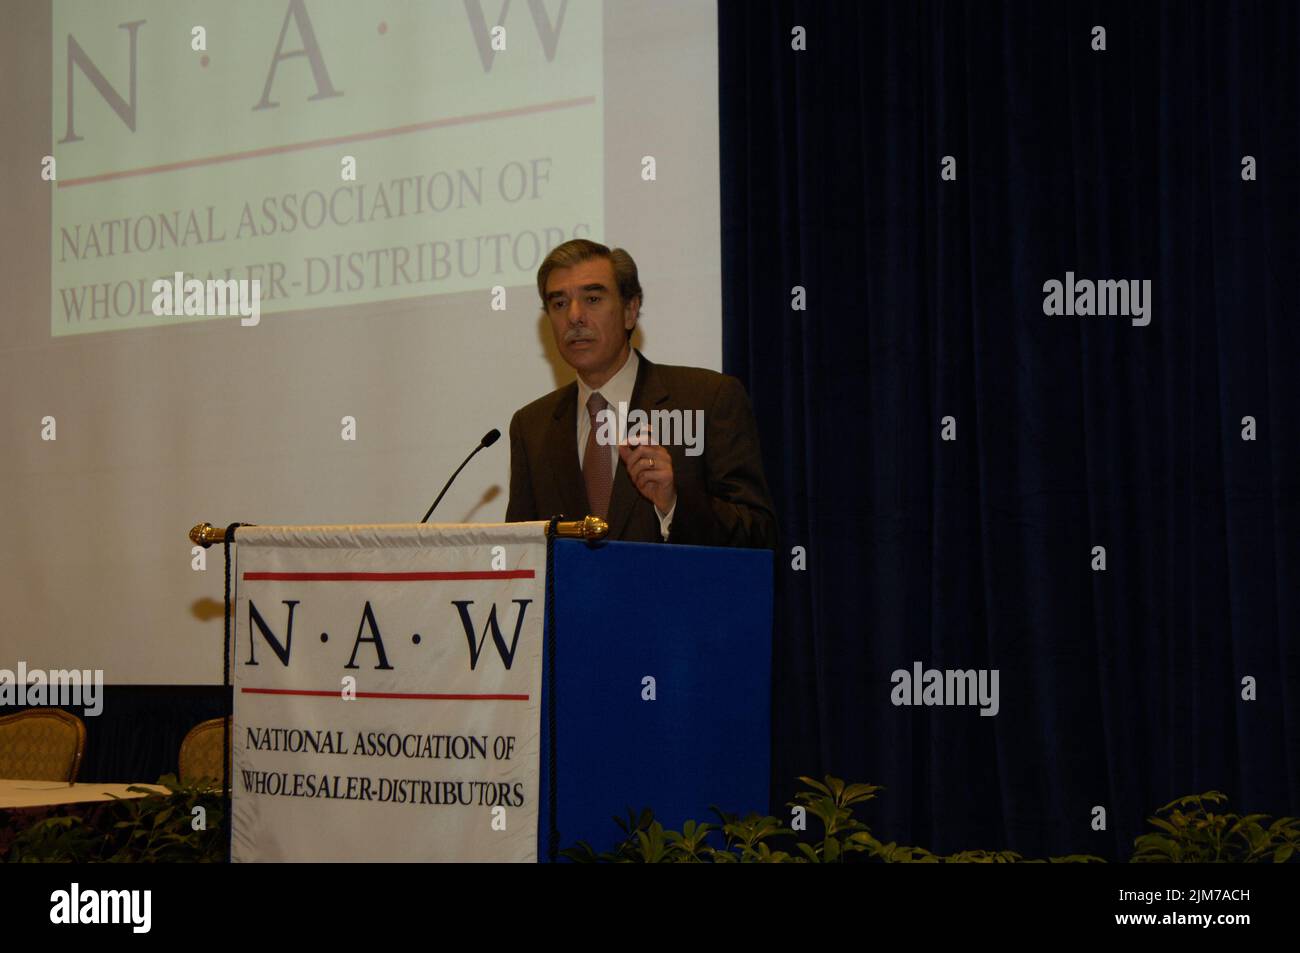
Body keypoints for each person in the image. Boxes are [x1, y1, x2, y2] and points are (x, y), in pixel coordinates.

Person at [505, 239, 777, 548]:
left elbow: (759, 535)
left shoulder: (707, 400)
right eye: (559, 304)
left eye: (592, 299)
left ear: (630, 311)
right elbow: (519, 551)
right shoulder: (532, 427)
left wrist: (673, 504)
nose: (574, 316)